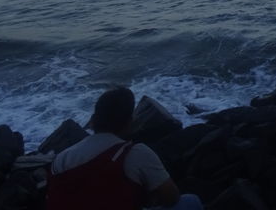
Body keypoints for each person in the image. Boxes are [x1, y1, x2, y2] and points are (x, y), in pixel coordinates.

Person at [47, 87, 203, 210]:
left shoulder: (61, 159)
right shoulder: (135, 153)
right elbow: (171, 198)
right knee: (190, 201)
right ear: (130, 123)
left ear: (93, 120)